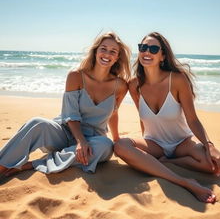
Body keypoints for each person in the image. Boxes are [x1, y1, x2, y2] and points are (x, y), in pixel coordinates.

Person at [114, 32, 220, 203]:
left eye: (153, 49)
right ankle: (185, 182)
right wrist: (145, 147)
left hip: (182, 143)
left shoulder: (177, 80)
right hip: (155, 144)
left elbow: (193, 119)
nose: (147, 52)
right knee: (120, 146)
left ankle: (167, 163)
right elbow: (142, 117)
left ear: (162, 56)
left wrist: (208, 145)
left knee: (213, 166)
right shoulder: (134, 84)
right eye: (143, 47)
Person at [0, 32, 131, 177]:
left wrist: (117, 139)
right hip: (64, 133)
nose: (107, 54)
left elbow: (114, 112)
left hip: (93, 139)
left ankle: (33, 164)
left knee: (106, 146)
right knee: (36, 123)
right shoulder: (75, 76)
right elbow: (71, 114)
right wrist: (80, 141)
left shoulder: (120, 86)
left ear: (117, 57)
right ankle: (2, 165)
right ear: (96, 51)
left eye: (113, 51)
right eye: (103, 49)